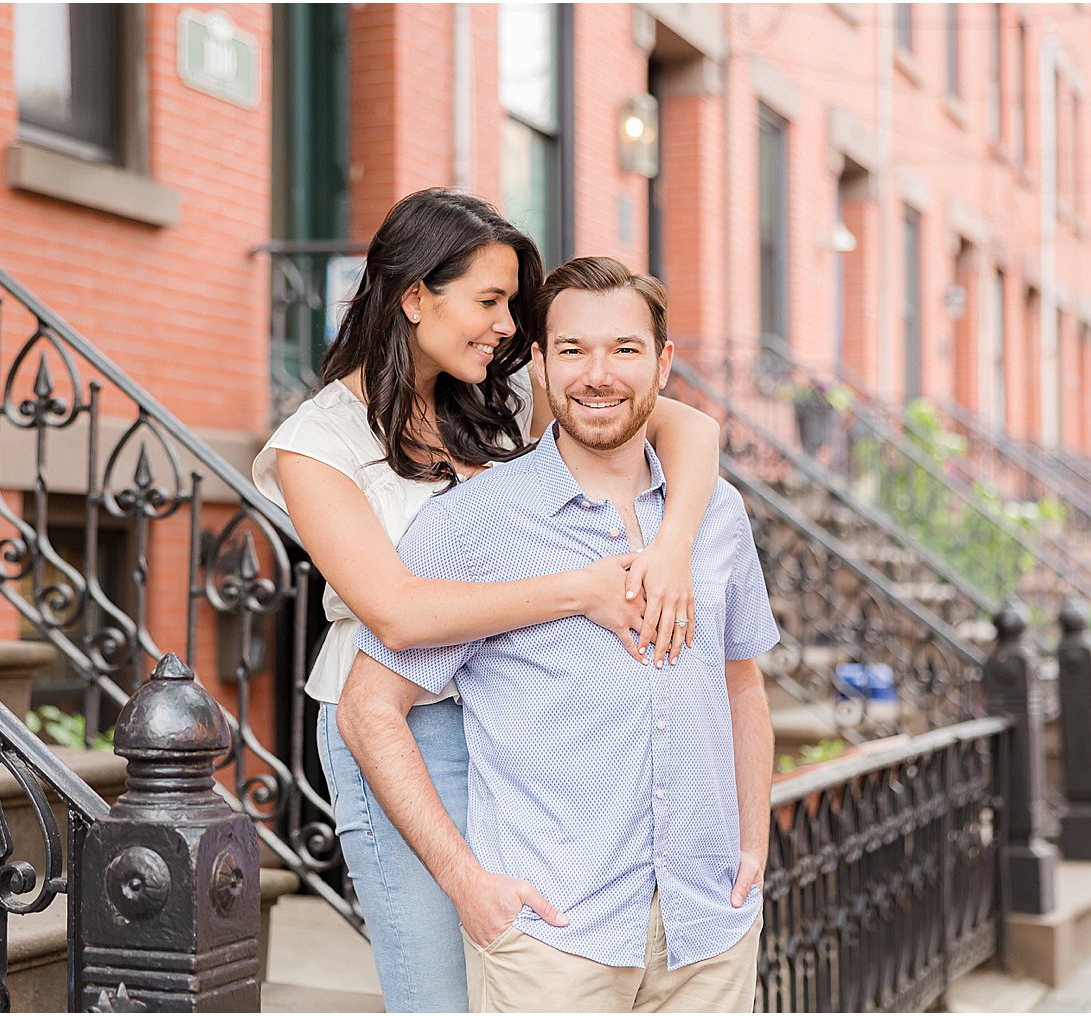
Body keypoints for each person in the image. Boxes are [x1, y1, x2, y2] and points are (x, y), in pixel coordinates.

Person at [251, 191, 723, 1012]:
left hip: (522, 720)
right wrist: (581, 590)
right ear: (413, 297)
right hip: (405, 725)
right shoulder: (318, 445)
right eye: (490, 302)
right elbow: (395, 610)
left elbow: (685, 428)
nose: (509, 326)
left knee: (532, 978)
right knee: (442, 991)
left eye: (514, 305)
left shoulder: (499, 405)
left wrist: (673, 543)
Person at [338, 256, 778, 1013]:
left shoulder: (717, 517)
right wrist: (466, 883)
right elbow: (366, 708)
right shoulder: (474, 524)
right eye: (572, 350)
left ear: (664, 364)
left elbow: (741, 682)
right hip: (553, 940)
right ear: (538, 363)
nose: (598, 374)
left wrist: (753, 849)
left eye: (625, 350)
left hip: (709, 931)